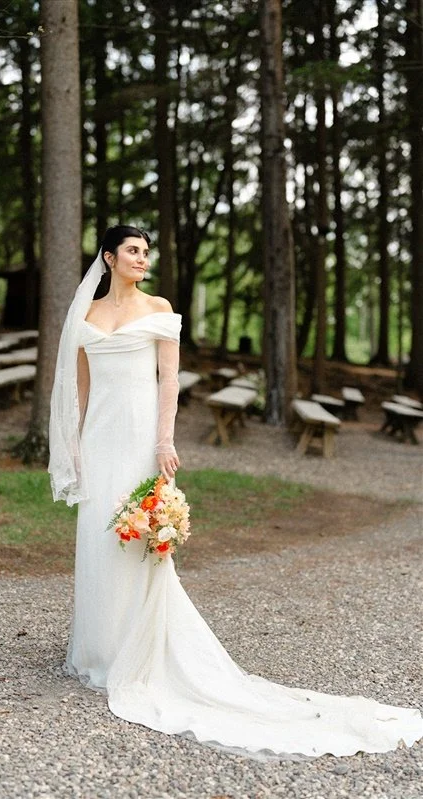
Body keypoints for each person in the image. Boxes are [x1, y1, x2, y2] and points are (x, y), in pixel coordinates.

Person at [48, 224, 423, 760]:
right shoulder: (84, 315)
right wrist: (77, 445)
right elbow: (80, 386)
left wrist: (163, 443)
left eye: (146, 251)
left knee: (138, 537)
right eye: (132, 251)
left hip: (138, 440)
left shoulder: (158, 307)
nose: (142, 258)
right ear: (107, 257)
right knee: (97, 532)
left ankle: (138, 653)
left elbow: (168, 381)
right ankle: (97, 651)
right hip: (101, 436)